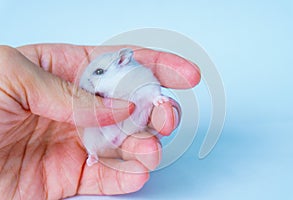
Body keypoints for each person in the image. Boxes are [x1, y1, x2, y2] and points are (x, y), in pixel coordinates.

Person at [0, 44, 200, 199]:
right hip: (109, 130)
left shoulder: (137, 75)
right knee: (97, 136)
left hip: (130, 124)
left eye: (98, 73)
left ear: (123, 61)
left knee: (147, 138)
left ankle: (101, 152)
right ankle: (94, 153)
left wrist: (156, 98)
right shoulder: (97, 97)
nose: (87, 82)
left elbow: (150, 87)